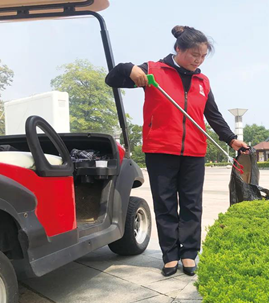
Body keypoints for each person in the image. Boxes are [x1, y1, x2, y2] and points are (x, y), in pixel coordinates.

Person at [106, 25, 248, 276]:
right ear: (178, 49)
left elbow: (212, 114)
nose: (198, 60)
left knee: (192, 205)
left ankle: (190, 253)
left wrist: (231, 139)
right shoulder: (153, 70)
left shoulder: (203, 81)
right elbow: (112, 79)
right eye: (194, 54)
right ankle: (170, 254)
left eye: (203, 56)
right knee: (166, 204)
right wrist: (130, 68)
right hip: (160, 150)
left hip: (194, 152)